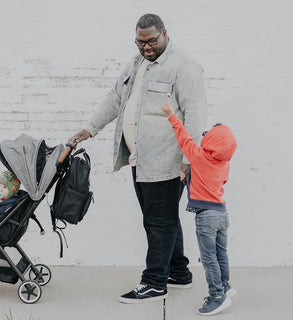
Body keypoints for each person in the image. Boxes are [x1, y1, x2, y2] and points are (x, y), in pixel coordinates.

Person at [70, 13, 207, 303]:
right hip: (140, 159)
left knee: (158, 221)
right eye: (140, 42)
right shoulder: (136, 63)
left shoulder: (184, 67)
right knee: (162, 217)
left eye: (151, 41)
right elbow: (115, 98)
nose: (146, 48)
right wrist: (89, 129)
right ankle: (178, 272)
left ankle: (155, 282)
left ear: (165, 34)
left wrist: (188, 159)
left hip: (167, 161)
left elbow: (195, 116)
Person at [161, 101, 237, 316]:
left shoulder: (199, 156)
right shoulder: (224, 163)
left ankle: (216, 296)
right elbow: (214, 184)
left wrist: (170, 114)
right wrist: (190, 179)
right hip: (222, 213)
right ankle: (226, 286)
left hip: (206, 217)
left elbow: (182, 136)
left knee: (209, 258)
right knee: (221, 254)